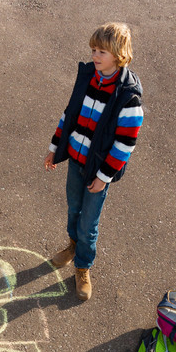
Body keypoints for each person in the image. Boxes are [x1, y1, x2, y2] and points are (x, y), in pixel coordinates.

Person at [44, 22, 143, 302]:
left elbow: (125, 144)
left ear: (119, 54)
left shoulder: (127, 95)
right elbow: (70, 113)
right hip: (76, 159)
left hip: (97, 170)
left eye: (101, 51)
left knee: (89, 221)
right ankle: (73, 245)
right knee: (74, 208)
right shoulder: (89, 77)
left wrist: (104, 176)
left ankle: (83, 265)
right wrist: (56, 147)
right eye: (93, 50)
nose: (95, 56)